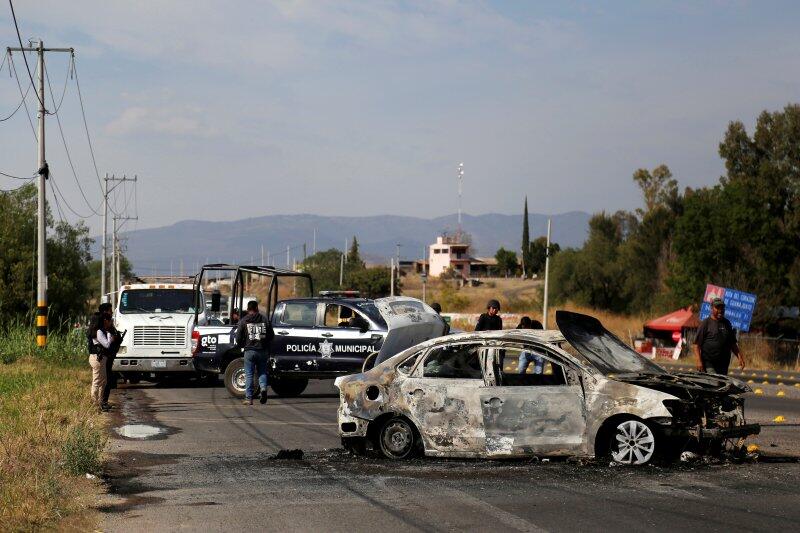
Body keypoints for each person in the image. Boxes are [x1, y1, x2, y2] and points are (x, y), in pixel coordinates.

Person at [235, 300, 274, 405]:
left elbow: (238, 338)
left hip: (249, 351)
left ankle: (249, 398)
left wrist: (242, 344)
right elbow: (271, 336)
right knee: (262, 372)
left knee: (249, 374)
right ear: (257, 308)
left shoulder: (244, 321)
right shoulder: (265, 319)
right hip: (262, 351)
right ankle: (263, 390)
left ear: (248, 310)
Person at [694, 298, 745, 375]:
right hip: (709, 362)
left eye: (722, 308)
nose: (720, 310)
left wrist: (740, 357)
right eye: (717, 308)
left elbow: (732, 343)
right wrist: (698, 360)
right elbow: (696, 345)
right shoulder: (705, 323)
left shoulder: (727, 323)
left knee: (721, 384)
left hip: (723, 363)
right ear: (711, 308)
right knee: (715, 382)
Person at [90, 313, 116, 410]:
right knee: (97, 381)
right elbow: (107, 345)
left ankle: (100, 403)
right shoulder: (99, 332)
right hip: (98, 358)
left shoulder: (97, 331)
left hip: (99, 358)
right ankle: (95, 404)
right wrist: (110, 336)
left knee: (103, 381)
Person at [99, 303, 120, 409]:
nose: (112, 312)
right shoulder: (101, 325)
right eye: (110, 310)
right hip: (105, 355)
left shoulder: (108, 324)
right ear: (105, 312)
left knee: (107, 379)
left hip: (109, 355)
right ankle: (102, 402)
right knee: (104, 380)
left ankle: (104, 401)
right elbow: (107, 341)